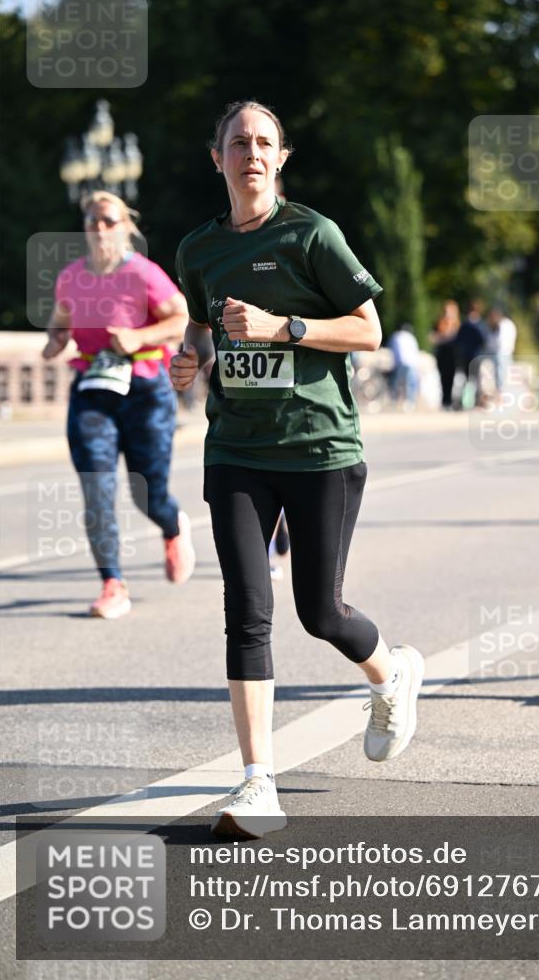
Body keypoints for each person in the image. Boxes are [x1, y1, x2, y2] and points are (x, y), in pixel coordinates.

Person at [172, 100, 424, 838]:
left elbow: (371, 329)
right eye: (236, 142)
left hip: (319, 450)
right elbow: (198, 321)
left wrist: (287, 327)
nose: (249, 153)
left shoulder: (312, 233)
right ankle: (256, 783)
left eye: (263, 143)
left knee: (320, 613)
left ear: (280, 158)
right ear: (214, 157)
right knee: (247, 612)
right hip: (236, 450)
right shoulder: (197, 249)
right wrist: (190, 359)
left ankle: (393, 672)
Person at [42, 191, 196, 618]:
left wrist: (138, 338)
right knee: (97, 489)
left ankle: (171, 524)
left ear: (126, 226)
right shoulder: (72, 276)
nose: (100, 228)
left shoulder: (143, 273)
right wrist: (55, 341)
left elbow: (180, 318)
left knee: (147, 492)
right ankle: (112, 583)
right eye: (92, 221)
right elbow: (60, 322)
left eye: (109, 220)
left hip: (146, 390)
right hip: (93, 388)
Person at [455, 299, 487, 408]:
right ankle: (470, 401)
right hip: (475, 355)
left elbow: (458, 340)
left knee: (469, 379)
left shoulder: (466, 324)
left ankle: (469, 401)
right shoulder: (480, 324)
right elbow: (484, 340)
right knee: (473, 379)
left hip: (468, 355)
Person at [430, 300, 460, 409]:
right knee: (443, 377)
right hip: (442, 354)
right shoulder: (440, 323)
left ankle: (450, 400)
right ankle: (445, 401)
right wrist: (444, 337)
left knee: (451, 377)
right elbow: (433, 337)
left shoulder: (457, 324)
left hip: (453, 355)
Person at [484, 306, 517, 400]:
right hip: (505, 353)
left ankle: (502, 396)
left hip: (501, 353)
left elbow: (498, 342)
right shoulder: (508, 324)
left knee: (501, 375)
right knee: (503, 375)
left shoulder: (502, 325)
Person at [387, 322, 420, 410]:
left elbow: (391, 349)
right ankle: (410, 402)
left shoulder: (396, 336)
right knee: (409, 383)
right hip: (411, 363)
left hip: (400, 362)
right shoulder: (412, 337)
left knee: (395, 382)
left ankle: (394, 401)